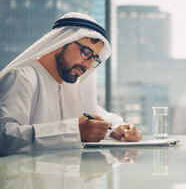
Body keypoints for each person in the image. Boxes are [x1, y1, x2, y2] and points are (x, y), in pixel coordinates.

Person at [0, 12, 142, 156]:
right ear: (61, 41)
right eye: (86, 52)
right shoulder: (22, 77)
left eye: (94, 58)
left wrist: (119, 129)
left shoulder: (70, 86)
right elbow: (5, 137)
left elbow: (94, 114)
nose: (88, 64)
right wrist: (74, 131)